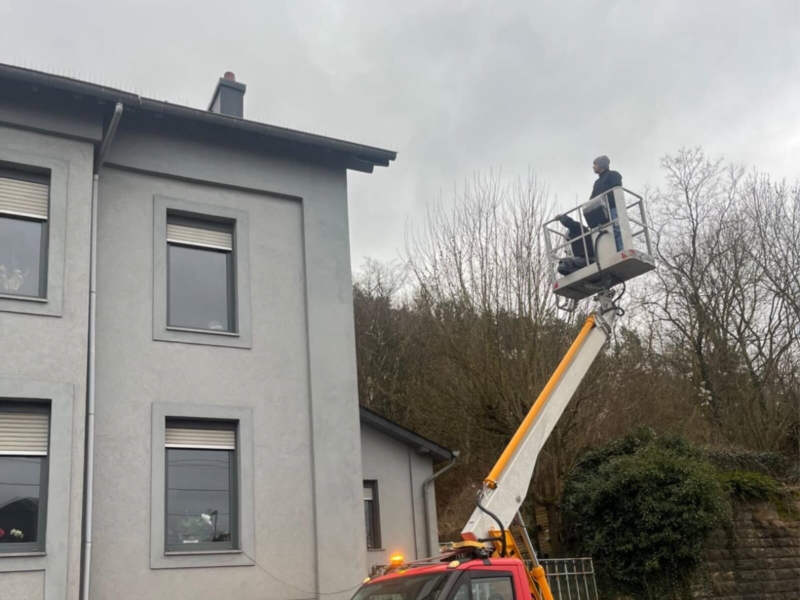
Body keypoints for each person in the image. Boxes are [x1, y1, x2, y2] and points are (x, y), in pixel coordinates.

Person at [590, 155, 623, 250]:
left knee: (617, 230)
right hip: (601, 213)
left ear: (601, 164)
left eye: (595, 164)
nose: (593, 166)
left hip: (613, 208)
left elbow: (617, 190)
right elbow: (592, 198)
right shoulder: (597, 183)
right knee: (605, 234)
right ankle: (611, 251)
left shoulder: (613, 175)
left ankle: (621, 250)